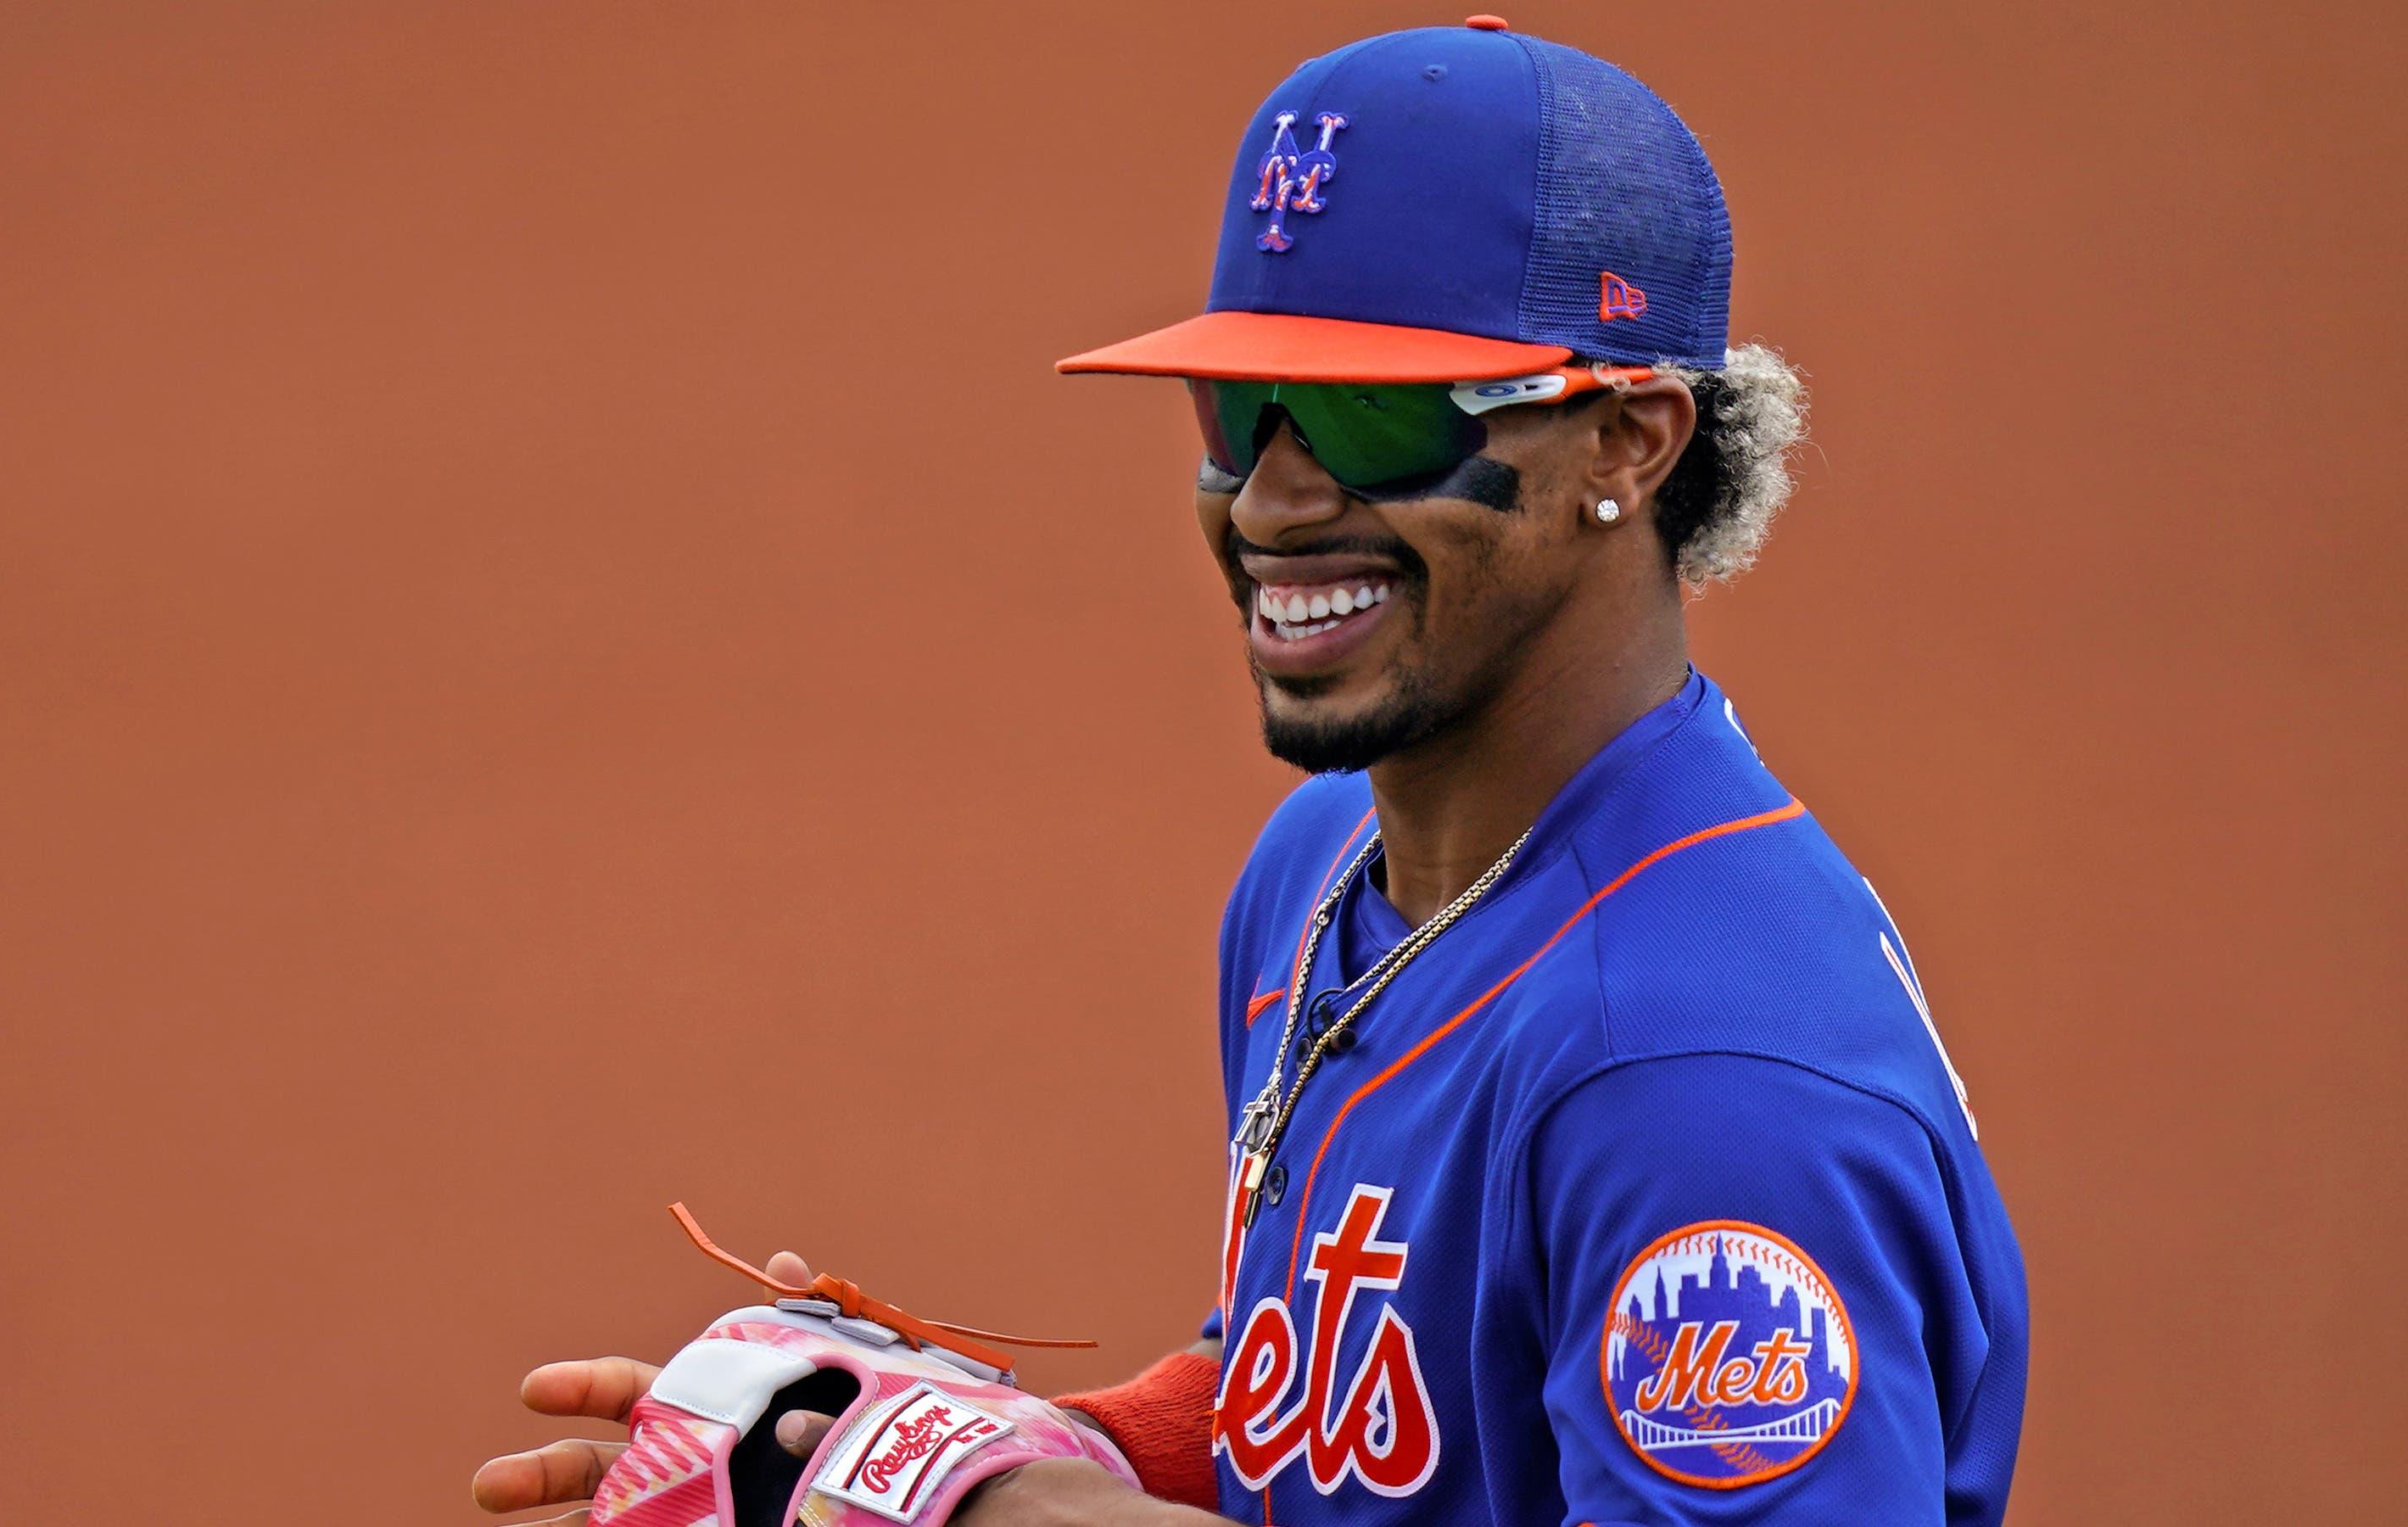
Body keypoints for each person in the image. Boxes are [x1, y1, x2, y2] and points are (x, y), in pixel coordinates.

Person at [476, 16, 2027, 1524]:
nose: (1273, 500)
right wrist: (959, 1444)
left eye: (1369, 414)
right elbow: (1332, 1411)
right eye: (1239, 407)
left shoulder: (1694, 1086)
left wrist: (1020, 1516)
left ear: (1628, 441)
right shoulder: (1328, 861)